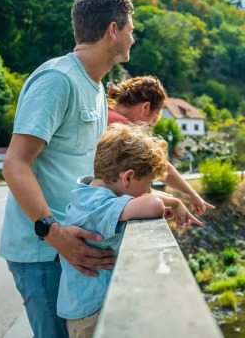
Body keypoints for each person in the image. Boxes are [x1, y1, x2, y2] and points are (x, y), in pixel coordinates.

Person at [0, 0, 138, 338]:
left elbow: (86, 173)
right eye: (130, 29)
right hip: (45, 251)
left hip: (72, 249)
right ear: (112, 30)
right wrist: (53, 233)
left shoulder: (94, 85)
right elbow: (15, 164)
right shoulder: (58, 79)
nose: (133, 38)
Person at [57, 123, 201, 337]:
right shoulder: (98, 205)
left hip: (87, 305)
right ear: (127, 177)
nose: (150, 191)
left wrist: (175, 202)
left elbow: (136, 198)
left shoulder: (89, 192)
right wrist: (162, 202)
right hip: (92, 313)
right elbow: (151, 205)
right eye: (150, 184)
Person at [106, 76, 214, 214]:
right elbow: (158, 165)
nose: (150, 128)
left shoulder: (105, 114)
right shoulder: (123, 129)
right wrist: (191, 195)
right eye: (154, 119)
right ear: (145, 107)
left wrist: (159, 196)